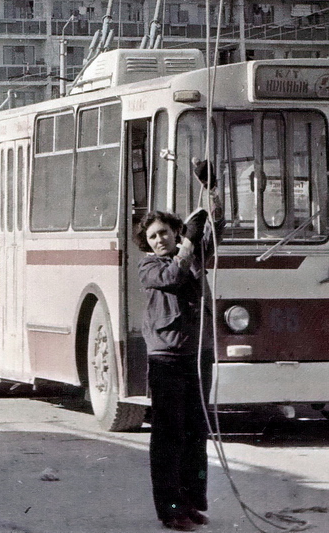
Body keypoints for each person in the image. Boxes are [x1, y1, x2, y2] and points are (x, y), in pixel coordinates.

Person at [135, 163, 223, 532]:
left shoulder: (191, 255)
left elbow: (214, 229)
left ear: (174, 233)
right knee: (169, 436)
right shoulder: (149, 267)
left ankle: (190, 503)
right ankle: (170, 510)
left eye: (165, 233)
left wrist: (212, 190)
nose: (159, 240)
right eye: (153, 236)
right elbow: (173, 276)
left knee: (195, 432)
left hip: (196, 354)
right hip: (167, 357)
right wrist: (187, 244)